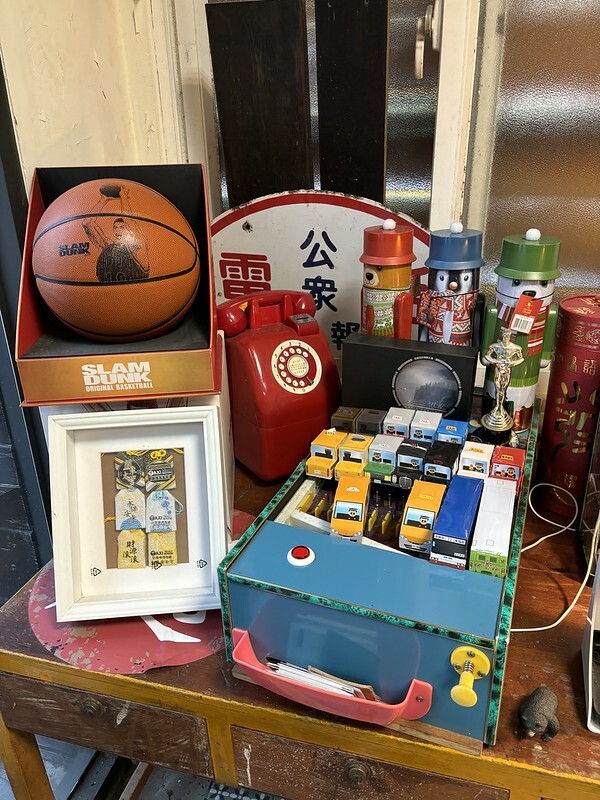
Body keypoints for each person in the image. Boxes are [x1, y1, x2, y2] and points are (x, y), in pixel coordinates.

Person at [82, 184, 150, 282]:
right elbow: (87, 223)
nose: (118, 230)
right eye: (115, 228)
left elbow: (128, 220)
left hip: (136, 291)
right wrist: (103, 201)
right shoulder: (108, 246)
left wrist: (123, 197)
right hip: (106, 292)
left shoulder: (139, 248)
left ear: (130, 231)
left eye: (122, 227)